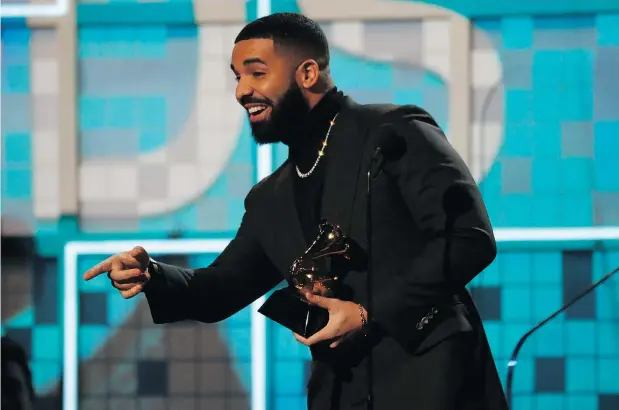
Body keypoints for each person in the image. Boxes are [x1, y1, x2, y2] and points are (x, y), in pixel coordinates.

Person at [84, 12, 509, 410]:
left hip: (432, 378)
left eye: (256, 72)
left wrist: (367, 314)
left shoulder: (391, 132)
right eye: (236, 77)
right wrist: (152, 274)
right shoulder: (270, 197)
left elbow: (468, 239)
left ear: (307, 72)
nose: (241, 91)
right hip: (339, 391)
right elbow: (219, 289)